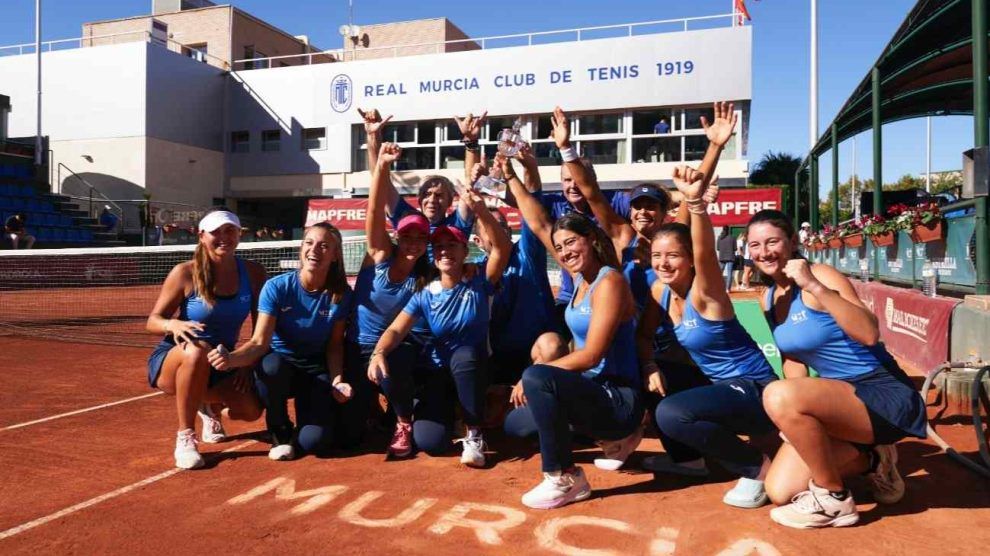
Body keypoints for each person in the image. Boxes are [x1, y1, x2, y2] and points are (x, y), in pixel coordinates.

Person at [747, 209, 927, 529]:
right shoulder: (770, 298)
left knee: (776, 394)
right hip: (841, 404)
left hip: (884, 393)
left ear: (792, 242)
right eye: (755, 245)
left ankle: (834, 499)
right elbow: (793, 358)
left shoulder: (821, 275)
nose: (764, 252)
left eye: (772, 241)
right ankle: (875, 459)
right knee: (780, 490)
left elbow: (869, 333)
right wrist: (793, 421)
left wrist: (814, 286)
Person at [500, 111, 643, 509]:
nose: (564, 251)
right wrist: (508, 174)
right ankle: (601, 437)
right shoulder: (579, 281)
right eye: (559, 248)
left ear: (591, 240)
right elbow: (537, 222)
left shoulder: (609, 280)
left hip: (618, 398)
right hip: (593, 390)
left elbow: (592, 355)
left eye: (571, 244)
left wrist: (534, 376)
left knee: (537, 377)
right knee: (516, 425)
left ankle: (564, 476)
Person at [642, 102, 779, 509]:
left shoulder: (707, 293)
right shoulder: (659, 292)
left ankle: (756, 469)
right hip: (721, 388)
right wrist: (648, 364)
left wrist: (699, 200)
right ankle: (689, 460)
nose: (663, 263)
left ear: (688, 260)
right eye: (657, 256)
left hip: (756, 390)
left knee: (672, 413)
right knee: (656, 376)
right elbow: (645, 336)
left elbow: (702, 247)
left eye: (673, 256)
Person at [369, 180, 511, 468]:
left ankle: (474, 433)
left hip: (472, 367)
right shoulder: (425, 293)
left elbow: (501, 248)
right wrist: (379, 352)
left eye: (452, 245)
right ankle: (438, 412)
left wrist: (481, 209)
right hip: (438, 371)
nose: (445, 251)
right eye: (439, 247)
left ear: (464, 251)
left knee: (465, 355)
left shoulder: (479, 280)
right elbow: (396, 329)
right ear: (433, 256)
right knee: (431, 442)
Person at [205, 222, 354, 461]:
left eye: (324, 246)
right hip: (280, 366)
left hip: (316, 370)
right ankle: (279, 429)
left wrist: (337, 380)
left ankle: (308, 426)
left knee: (314, 443)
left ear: (335, 255)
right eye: (309, 243)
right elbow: (259, 342)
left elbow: (335, 345)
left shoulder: (341, 294)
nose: (314, 250)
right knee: (271, 367)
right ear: (301, 248)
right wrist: (230, 359)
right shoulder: (277, 287)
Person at [145, 208, 265, 469]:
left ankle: (210, 409)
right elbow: (152, 321)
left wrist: (247, 363)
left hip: (222, 362)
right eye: (215, 232)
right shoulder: (184, 273)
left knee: (251, 411)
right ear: (201, 236)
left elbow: (261, 330)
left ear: (239, 234)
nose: (224, 237)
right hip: (177, 359)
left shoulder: (254, 273)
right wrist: (172, 324)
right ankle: (186, 436)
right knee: (197, 350)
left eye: (230, 231)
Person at [348, 141, 433, 459]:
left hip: (396, 346)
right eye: (407, 235)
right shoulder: (380, 255)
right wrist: (382, 165)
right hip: (356, 345)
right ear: (397, 236)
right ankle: (371, 407)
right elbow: (373, 211)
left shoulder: (426, 277)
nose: (413, 242)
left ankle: (403, 421)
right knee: (346, 435)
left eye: (420, 237)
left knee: (392, 368)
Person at [717, 227, 737, 291]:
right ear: (729, 230)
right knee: (729, 273)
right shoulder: (733, 237)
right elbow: (735, 248)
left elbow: (718, 248)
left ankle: (718, 287)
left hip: (722, 257)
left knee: (720, 273)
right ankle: (727, 289)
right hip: (730, 257)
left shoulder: (720, 237)